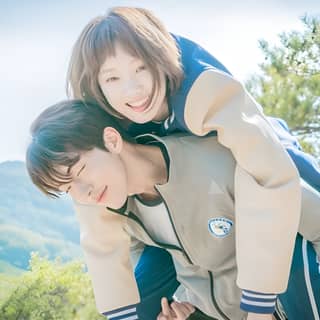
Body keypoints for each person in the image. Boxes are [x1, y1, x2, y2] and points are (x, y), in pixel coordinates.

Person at [26, 100, 320, 320]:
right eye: (68, 191)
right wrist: (187, 306)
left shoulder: (220, 160)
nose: (83, 194)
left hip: (291, 286)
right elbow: (178, 261)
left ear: (112, 140)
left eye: (79, 171)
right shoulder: (121, 209)